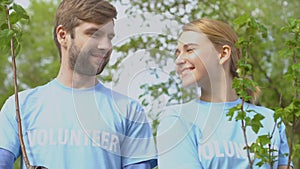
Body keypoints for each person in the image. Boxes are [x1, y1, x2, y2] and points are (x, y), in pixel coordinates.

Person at [0, 0, 157, 168]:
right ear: (63, 35)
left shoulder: (129, 111)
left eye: (109, 37)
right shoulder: (21, 106)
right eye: (93, 34)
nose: (105, 46)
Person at [156, 18, 292, 169]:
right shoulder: (178, 120)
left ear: (223, 54)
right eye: (178, 53)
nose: (179, 60)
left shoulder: (271, 121)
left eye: (189, 50)